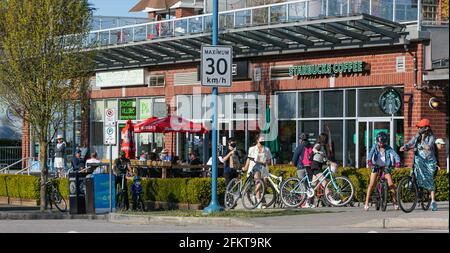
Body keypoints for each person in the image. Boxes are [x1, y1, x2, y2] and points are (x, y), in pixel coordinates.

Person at [400, 118, 438, 211]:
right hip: (419, 158)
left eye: (420, 127)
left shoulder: (431, 137)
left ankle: (433, 201)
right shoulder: (417, 136)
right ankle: (411, 183)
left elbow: (429, 146)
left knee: (429, 180)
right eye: (418, 127)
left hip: (429, 162)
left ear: (426, 128)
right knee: (413, 170)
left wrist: (423, 146)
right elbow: (411, 142)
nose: (419, 129)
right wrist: (405, 147)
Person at [363, 132, 401, 211]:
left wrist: (397, 163)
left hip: (386, 167)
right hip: (376, 166)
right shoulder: (375, 146)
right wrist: (369, 161)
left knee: (391, 184)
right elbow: (370, 154)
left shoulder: (388, 148)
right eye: (379, 142)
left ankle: (395, 202)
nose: (380, 144)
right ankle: (366, 203)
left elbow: (396, 155)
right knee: (372, 184)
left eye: (382, 142)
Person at [242, 134, 272, 209]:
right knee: (258, 182)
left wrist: (267, 162)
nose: (262, 141)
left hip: (264, 168)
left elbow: (269, 160)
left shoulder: (267, 149)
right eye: (261, 140)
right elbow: (248, 159)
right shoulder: (252, 149)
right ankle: (259, 201)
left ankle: (257, 196)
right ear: (257, 140)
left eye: (263, 140)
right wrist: (245, 167)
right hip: (255, 167)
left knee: (264, 185)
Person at [291, 133, 314, 208]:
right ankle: (310, 202)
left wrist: (295, 164)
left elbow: (294, 159)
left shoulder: (300, 147)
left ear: (300, 139)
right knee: (310, 186)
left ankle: (303, 203)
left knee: (302, 186)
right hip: (309, 168)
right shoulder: (310, 146)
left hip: (301, 168)